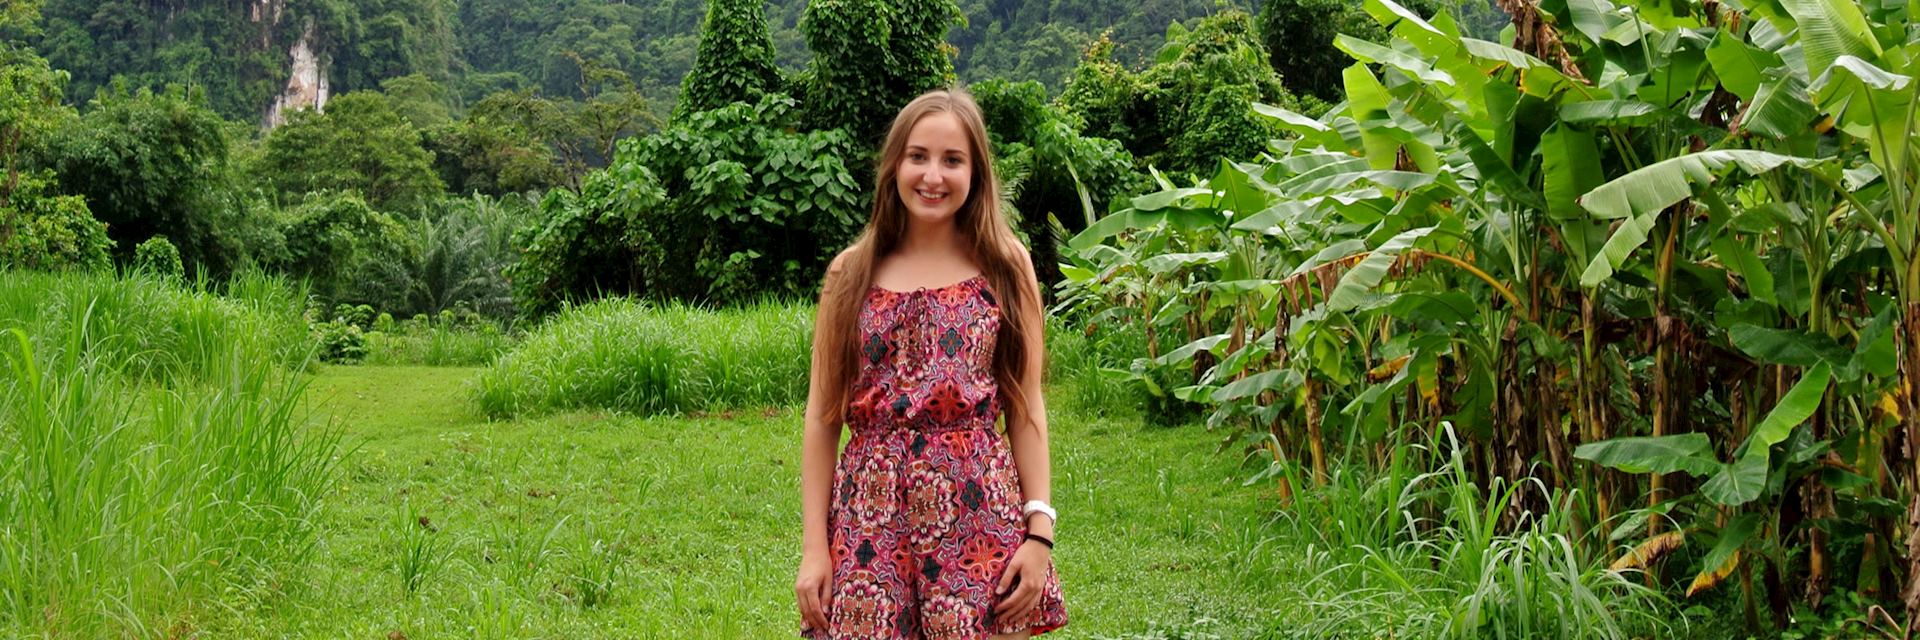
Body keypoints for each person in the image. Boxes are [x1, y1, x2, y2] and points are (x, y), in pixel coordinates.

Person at [794, 88, 1069, 639]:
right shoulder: (849, 274)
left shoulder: (1006, 265)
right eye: (918, 156)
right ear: (895, 163)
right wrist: (813, 549)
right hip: (867, 515)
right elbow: (823, 417)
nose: (932, 176)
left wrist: (1038, 533)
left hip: (975, 513)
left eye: (952, 160)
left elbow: (1025, 405)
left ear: (977, 172)